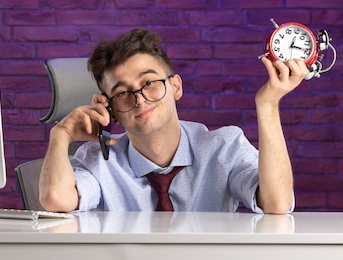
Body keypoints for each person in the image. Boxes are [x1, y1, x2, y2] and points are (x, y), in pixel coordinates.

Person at [38, 28, 307, 214]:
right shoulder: (99, 161)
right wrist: (60, 135)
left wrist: (268, 105)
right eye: (122, 93)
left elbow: (277, 203)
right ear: (110, 108)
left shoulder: (224, 147)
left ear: (176, 86)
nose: (140, 98)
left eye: (150, 83)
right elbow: (56, 200)